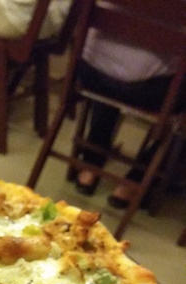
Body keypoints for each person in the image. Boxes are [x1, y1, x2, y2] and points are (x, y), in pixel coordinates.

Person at [74, 29, 186, 208]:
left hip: (89, 72)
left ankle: (91, 161)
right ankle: (138, 179)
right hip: (148, 90)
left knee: (115, 57)